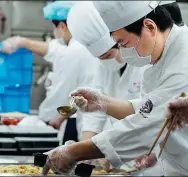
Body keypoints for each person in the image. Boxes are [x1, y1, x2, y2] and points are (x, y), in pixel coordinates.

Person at [41, 1, 188, 176]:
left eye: (123, 43)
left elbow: (143, 129)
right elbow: (151, 108)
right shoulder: (166, 49)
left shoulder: (186, 65)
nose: (123, 52)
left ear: (150, 27)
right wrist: (105, 104)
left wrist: (73, 153)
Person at [66, 2, 160, 176]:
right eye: (101, 57)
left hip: (149, 158)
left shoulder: (146, 61)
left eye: (108, 55)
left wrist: (100, 148)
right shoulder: (103, 67)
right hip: (118, 157)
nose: (106, 61)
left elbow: (146, 116)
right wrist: (84, 151)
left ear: (119, 42)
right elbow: (96, 109)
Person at [0, 1, 101, 144]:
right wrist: (21, 41)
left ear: (62, 26)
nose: (55, 34)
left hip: (93, 121)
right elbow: (53, 50)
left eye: (54, 28)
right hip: (89, 119)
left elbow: (62, 91)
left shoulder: (75, 50)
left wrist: (46, 118)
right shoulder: (81, 44)